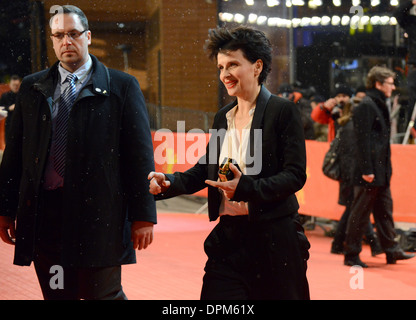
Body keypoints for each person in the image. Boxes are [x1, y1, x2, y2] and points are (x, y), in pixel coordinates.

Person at [0, 5, 156, 300]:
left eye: (73, 34)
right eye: (58, 35)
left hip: (100, 217)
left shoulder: (122, 86)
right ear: (52, 39)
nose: (66, 42)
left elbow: (139, 156)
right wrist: (5, 210)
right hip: (46, 217)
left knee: (104, 295)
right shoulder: (33, 88)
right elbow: (15, 156)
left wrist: (143, 214)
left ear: (88, 36)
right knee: (58, 295)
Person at [149, 26, 310, 300]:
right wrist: (170, 182)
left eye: (233, 64)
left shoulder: (282, 112)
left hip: (275, 241)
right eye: (221, 67)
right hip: (229, 241)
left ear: (257, 66)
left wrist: (246, 188)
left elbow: (295, 176)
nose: (224, 74)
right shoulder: (223, 116)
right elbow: (207, 169)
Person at [344, 66, 415, 267]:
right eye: (390, 83)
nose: (393, 87)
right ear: (378, 84)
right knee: (360, 214)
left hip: (380, 171)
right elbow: (363, 140)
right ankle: (351, 254)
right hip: (370, 172)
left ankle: (391, 250)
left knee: (384, 212)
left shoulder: (376, 103)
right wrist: (367, 170)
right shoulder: (367, 105)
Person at [330, 88, 382, 257]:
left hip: (347, 174)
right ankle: (369, 244)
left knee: (354, 209)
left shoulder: (345, 125)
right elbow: (353, 155)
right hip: (352, 175)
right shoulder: (352, 127)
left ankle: (339, 244)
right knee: (357, 210)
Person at [394, 0, 416, 136]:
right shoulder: (413, 23)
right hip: (415, 68)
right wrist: (411, 2)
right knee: (413, 102)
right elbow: (398, 14)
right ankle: (412, 131)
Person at [0, 75, 21, 142]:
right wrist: (9, 108)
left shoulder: (22, 95)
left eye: (17, 85)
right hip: (9, 122)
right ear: (10, 85)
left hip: (21, 121)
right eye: (13, 85)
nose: (15, 87)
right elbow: (1, 108)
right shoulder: (5, 96)